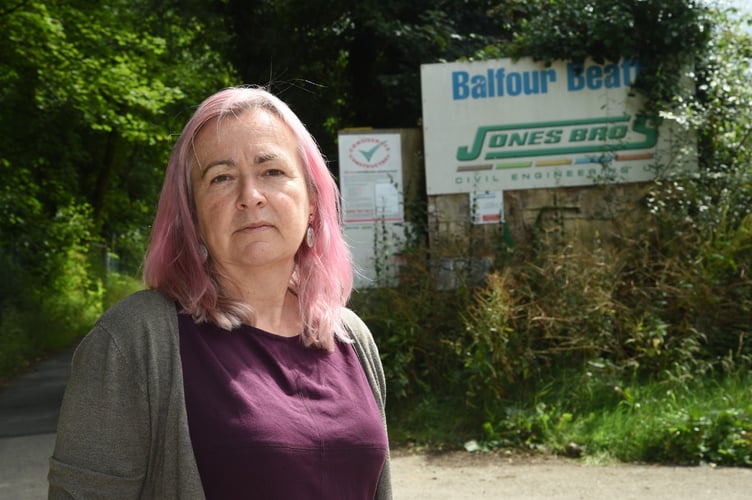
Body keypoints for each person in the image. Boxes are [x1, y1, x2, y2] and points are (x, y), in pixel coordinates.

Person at [48, 86, 392, 499]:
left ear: (314, 200)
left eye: (272, 171)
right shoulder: (134, 340)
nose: (250, 197)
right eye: (222, 178)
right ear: (190, 215)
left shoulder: (351, 338)